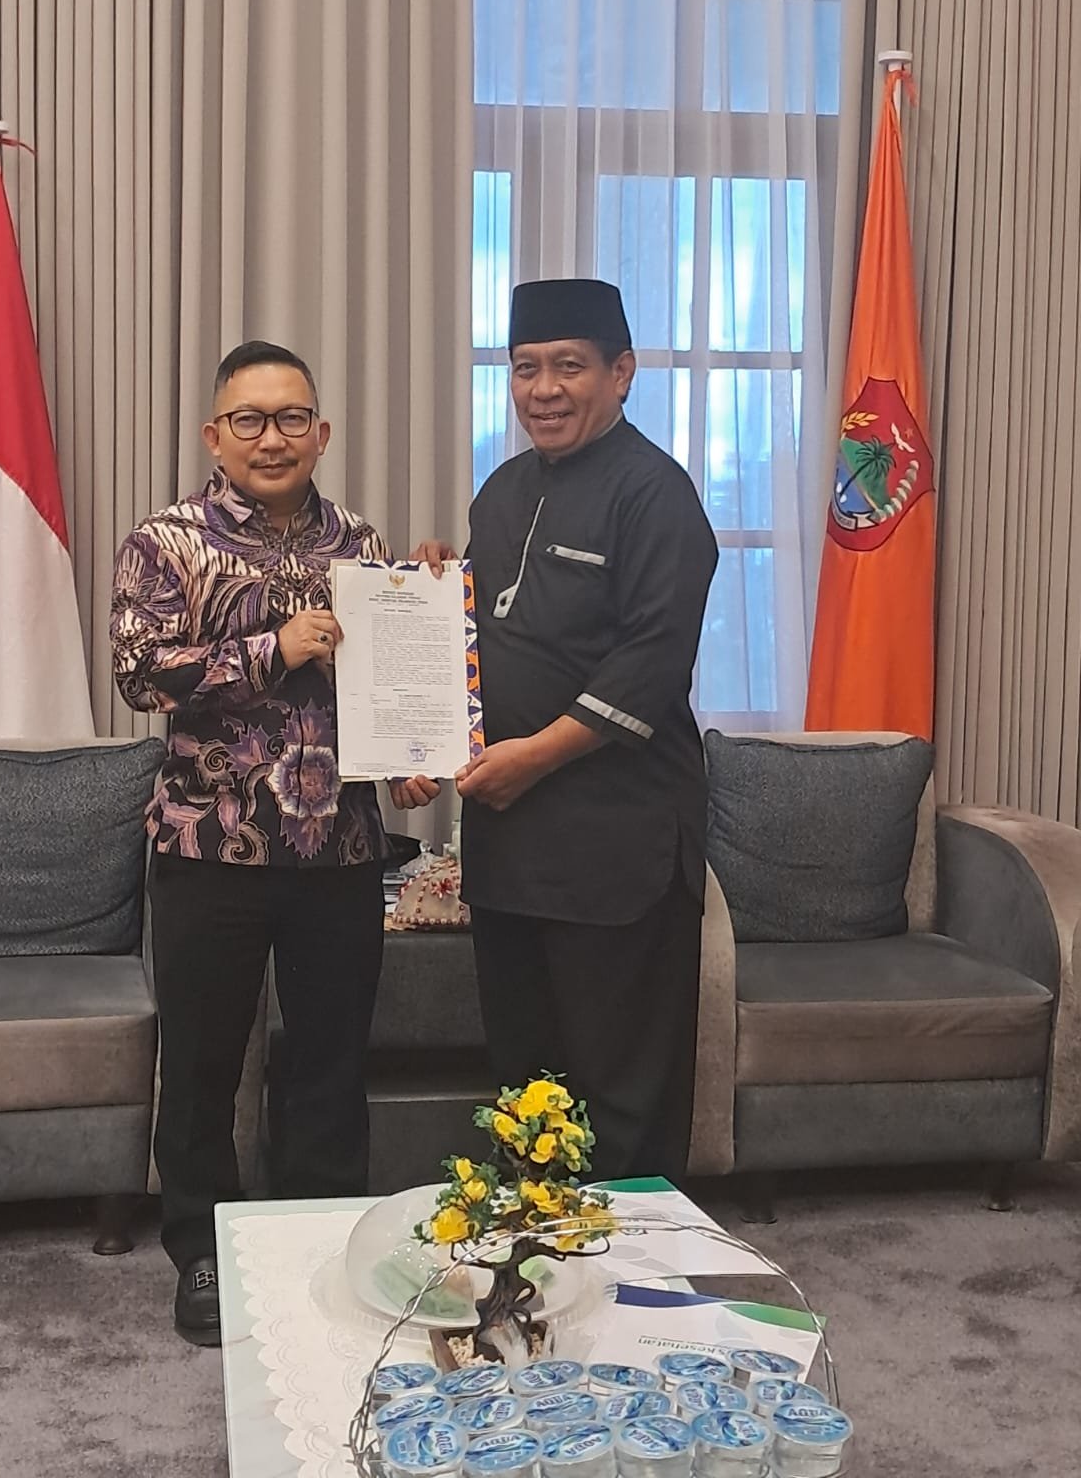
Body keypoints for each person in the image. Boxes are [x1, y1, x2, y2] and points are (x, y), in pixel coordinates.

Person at [396, 278, 717, 1185]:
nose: (543, 389)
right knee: (526, 1088)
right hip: (512, 850)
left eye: (569, 367)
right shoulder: (501, 492)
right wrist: (433, 595)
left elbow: (649, 666)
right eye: (525, 368)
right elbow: (487, 637)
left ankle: (635, 1264)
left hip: (618, 853)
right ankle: (538, 1254)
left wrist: (535, 758)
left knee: (622, 1098)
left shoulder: (657, 494)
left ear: (622, 372)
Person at [111, 340, 392, 1346]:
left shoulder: (361, 545)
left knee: (330, 1060)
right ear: (215, 435)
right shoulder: (166, 541)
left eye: (291, 419)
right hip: (207, 850)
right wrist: (274, 647)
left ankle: (323, 1237)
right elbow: (139, 673)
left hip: (339, 850)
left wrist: (408, 754)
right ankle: (203, 1250)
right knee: (201, 1065)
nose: (272, 438)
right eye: (250, 420)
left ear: (322, 432)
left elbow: (377, 685)